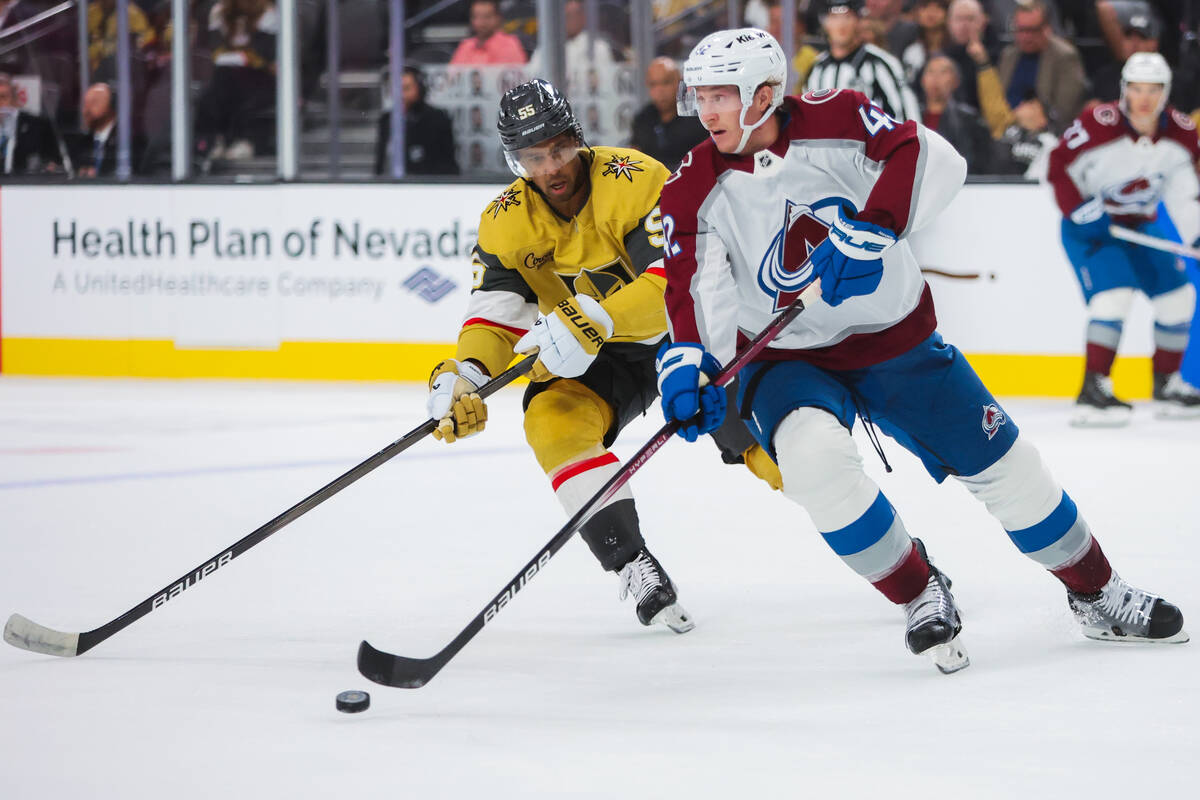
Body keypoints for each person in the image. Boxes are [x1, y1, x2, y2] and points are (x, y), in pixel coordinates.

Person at [657, 27, 1187, 673]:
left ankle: (1097, 592)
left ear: (765, 95)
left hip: (896, 340)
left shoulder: (842, 115)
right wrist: (692, 363)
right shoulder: (689, 189)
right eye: (700, 96)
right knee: (814, 466)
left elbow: (928, 155)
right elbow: (696, 287)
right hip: (785, 360)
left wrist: (873, 230)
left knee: (1012, 473)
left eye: (721, 95)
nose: (705, 111)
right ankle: (918, 589)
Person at [427, 79, 780, 634]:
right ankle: (631, 561)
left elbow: (674, 283)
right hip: (593, 357)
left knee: (771, 451)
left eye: (560, 147)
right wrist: (468, 374)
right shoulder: (504, 219)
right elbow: (494, 316)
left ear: (578, 137)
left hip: (681, 339)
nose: (552, 167)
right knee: (549, 422)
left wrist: (597, 319)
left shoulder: (635, 178)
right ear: (514, 159)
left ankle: (894, 552)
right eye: (533, 156)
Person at [1047, 52, 1200, 425]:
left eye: (1153, 90)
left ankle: (1167, 384)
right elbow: (1057, 166)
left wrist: (1196, 236)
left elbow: (1185, 193)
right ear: (1123, 90)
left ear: (1165, 93)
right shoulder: (1096, 124)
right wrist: (1077, 209)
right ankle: (1093, 388)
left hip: (1139, 225)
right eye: (1136, 89)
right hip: (1091, 230)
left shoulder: (1181, 134)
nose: (1144, 98)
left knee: (1179, 298)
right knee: (1113, 298)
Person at [806, 3, 919, 123]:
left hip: (872, 140)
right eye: (834, 17)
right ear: (825, 23)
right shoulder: (816, 68)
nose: (841, 24)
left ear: (858, 22)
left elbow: (906, 114)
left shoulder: (881, 63)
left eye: (848, 16)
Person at [990, 0, 1087, 134]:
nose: (1026, 37)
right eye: (1021, 30)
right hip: (1005, 130)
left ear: (1046, 28)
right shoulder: (1008, 55)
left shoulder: (1065, 57)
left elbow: (1064, 110)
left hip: (1047, 133)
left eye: (1032, 30)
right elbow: (998, 99)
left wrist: (1027, 118)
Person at [374, 65, 459, 176]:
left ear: (420, 89)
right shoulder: (386, 120)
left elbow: (447, 166)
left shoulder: (438, 119)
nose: (401, 95)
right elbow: (380, 165)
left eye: (406, 89)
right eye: (395, 89)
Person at [630, 57, 708, 170]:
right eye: (653, 84)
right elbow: (633, 161)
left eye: (666, 82)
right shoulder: (642, 119)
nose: (660, 90)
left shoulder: (700, 118)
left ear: (680, 82)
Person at [919, 54, 992, 173]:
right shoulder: (911, 117)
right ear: (922, 80)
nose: (935, 78)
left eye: (943, 72)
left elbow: (978, 161)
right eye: (930, 72)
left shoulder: (970, 120)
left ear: (956, 81)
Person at [0, 73, 64, 174]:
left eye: (3, 97)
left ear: (14, 98)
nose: (1, 104)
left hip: (26, 184)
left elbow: (55, 161)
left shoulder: (37, 125)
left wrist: (50, 165)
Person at [449, 0, 527, 66]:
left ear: (498, 18)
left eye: (487, 17)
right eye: (475, 17)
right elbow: (451, 78)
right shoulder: (465, 45)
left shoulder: (509, 44)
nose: (480, 23)